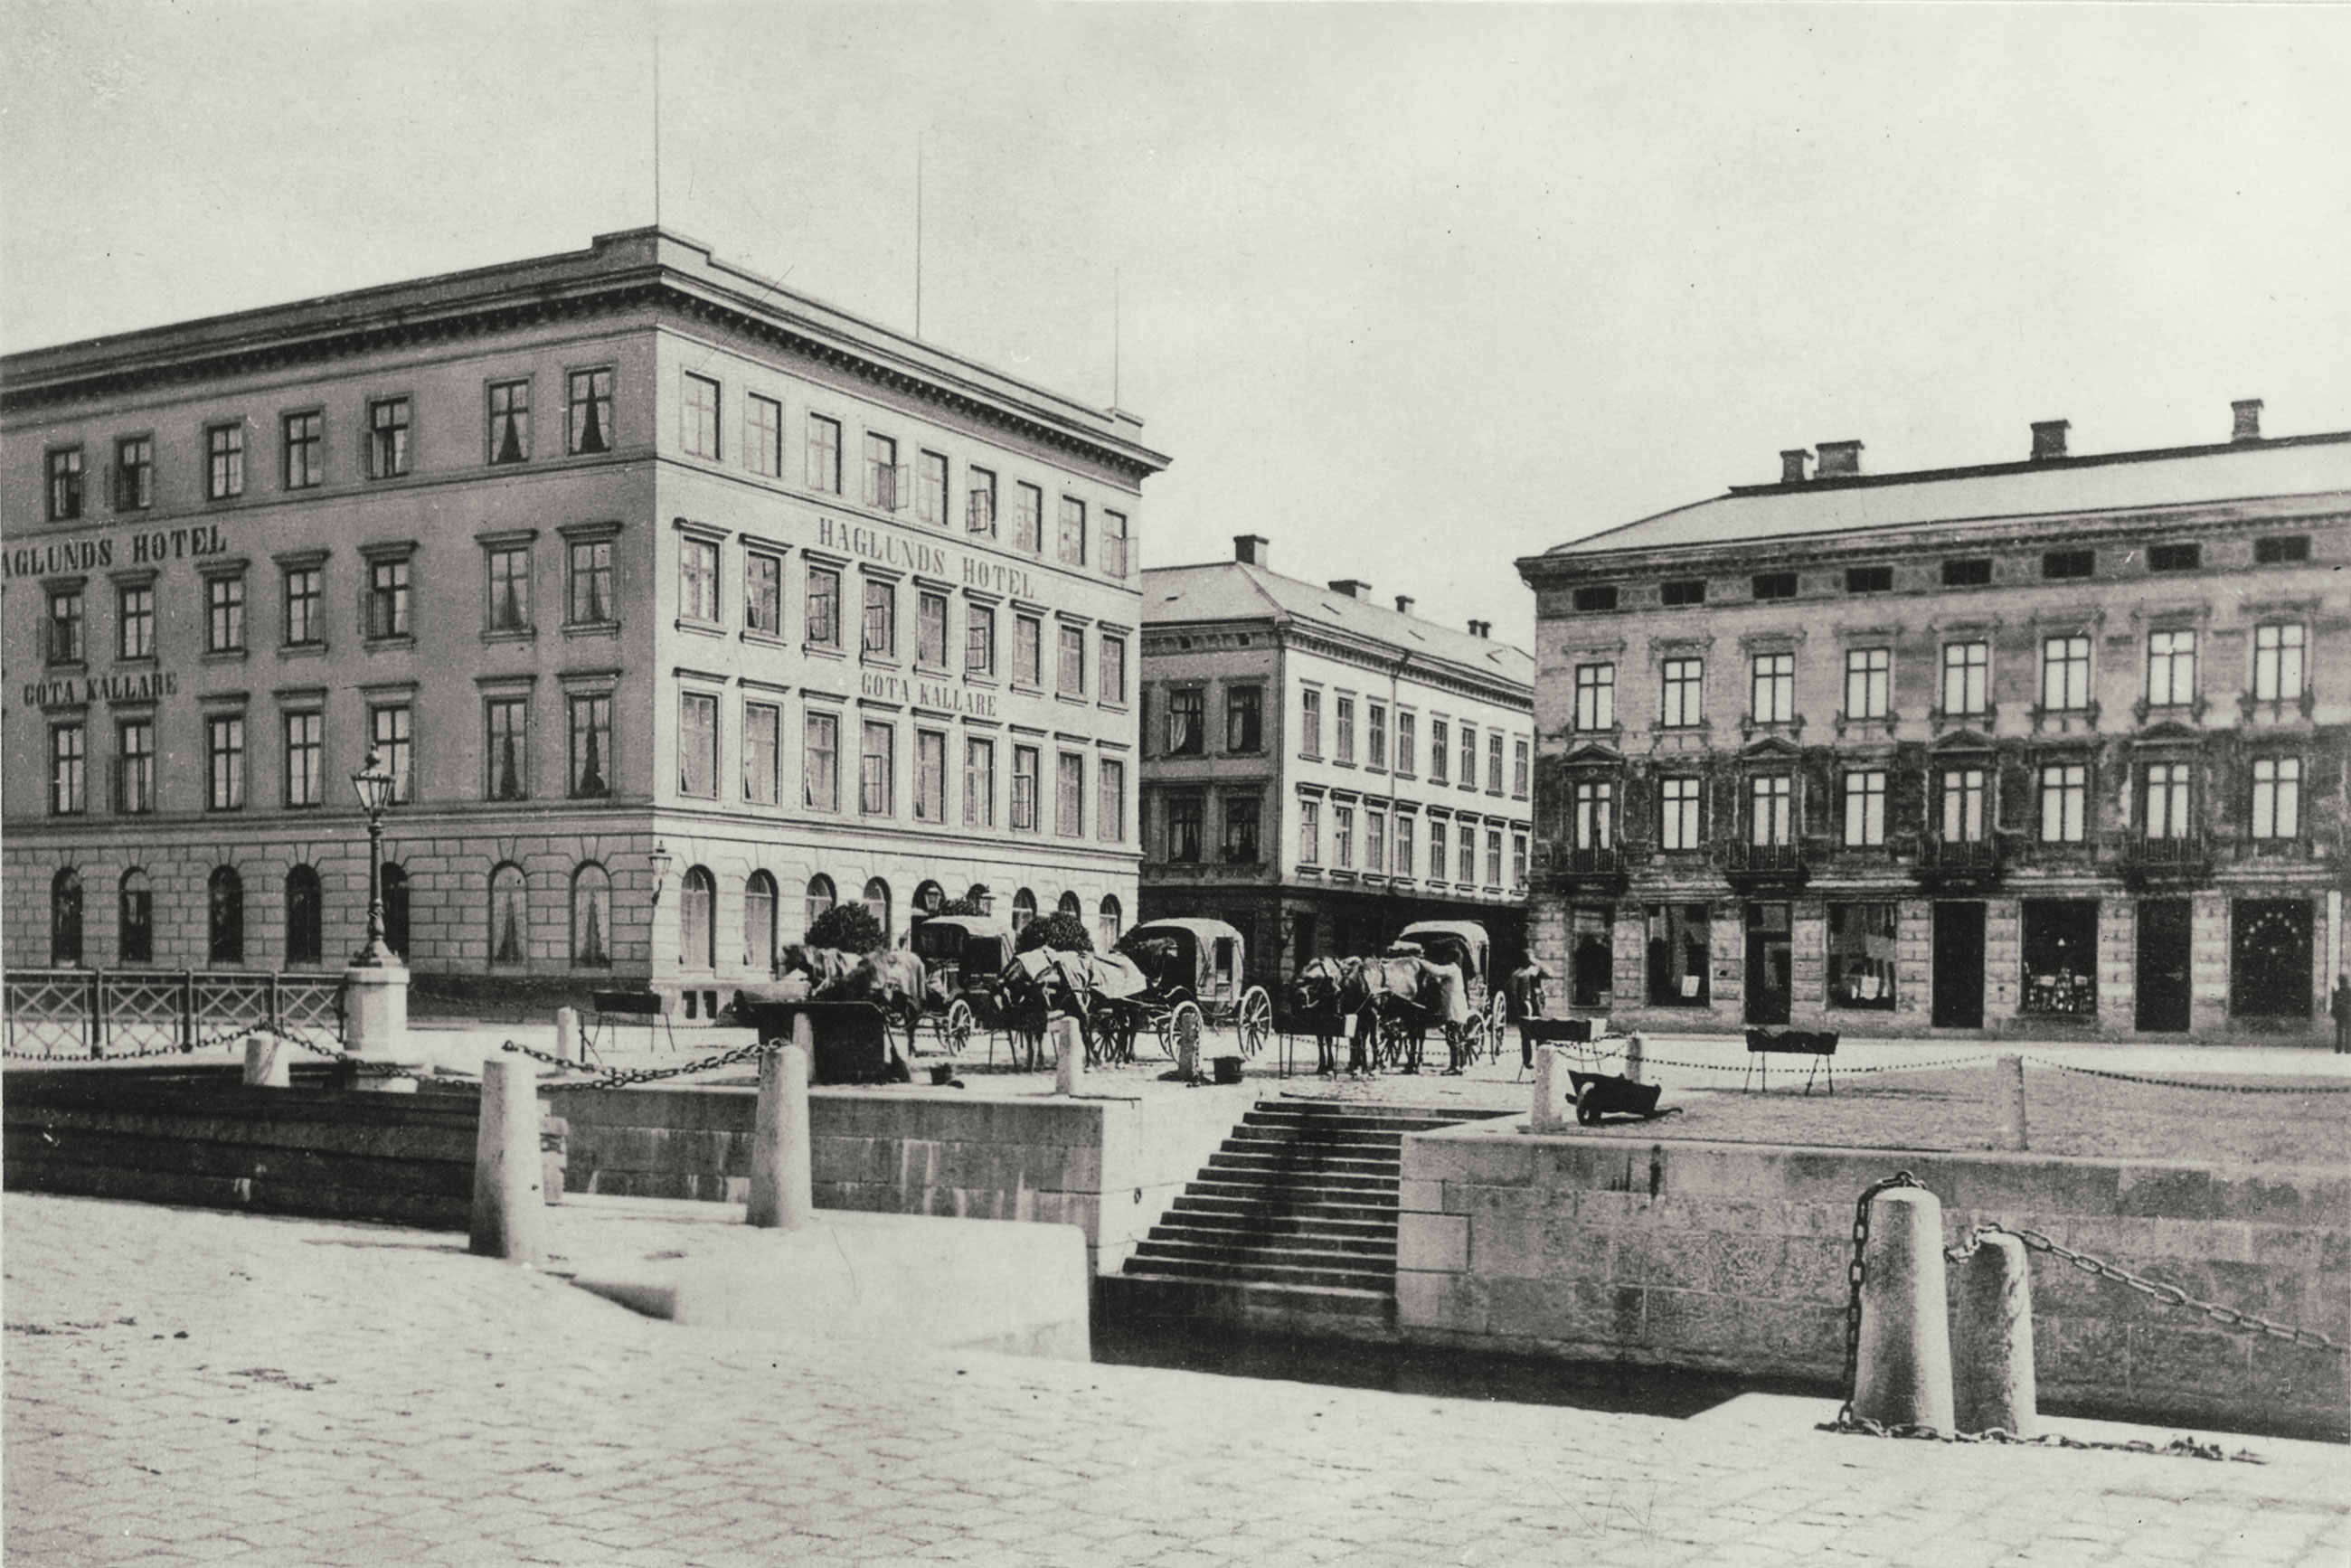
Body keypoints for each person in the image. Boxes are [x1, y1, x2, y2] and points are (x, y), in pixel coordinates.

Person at [2332, 973, 2351, 1054]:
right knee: (2347, 1031)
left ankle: (2339, 1048)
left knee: (2341, 1031)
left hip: (2342, 1013)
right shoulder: (2347, 991)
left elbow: (2334, 1004)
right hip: (2347, 1013)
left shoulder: (2337, 992)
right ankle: (2347, 1048)